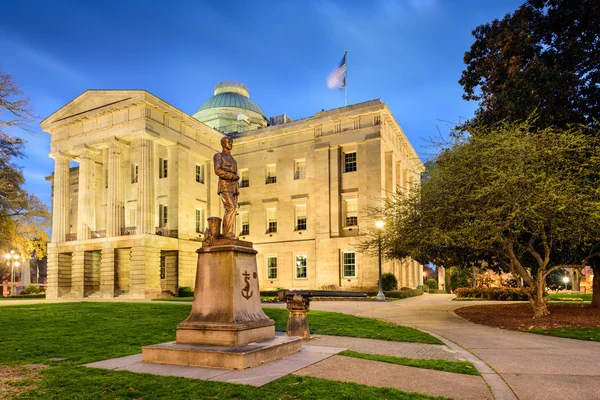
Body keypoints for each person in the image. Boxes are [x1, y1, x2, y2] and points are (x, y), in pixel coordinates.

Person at [213, 136, 239, 239]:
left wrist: (237, 189)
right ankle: (227, 233)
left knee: (232, 209)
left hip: (233, 187)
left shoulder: (234, 161)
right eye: (229, 142)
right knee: (231, 207)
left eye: (231, 142)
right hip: (224, 185)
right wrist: (232, 176)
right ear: (223, 144)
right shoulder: (218, 156)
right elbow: (217, 170)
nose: (231, 144)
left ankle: (229, 232)